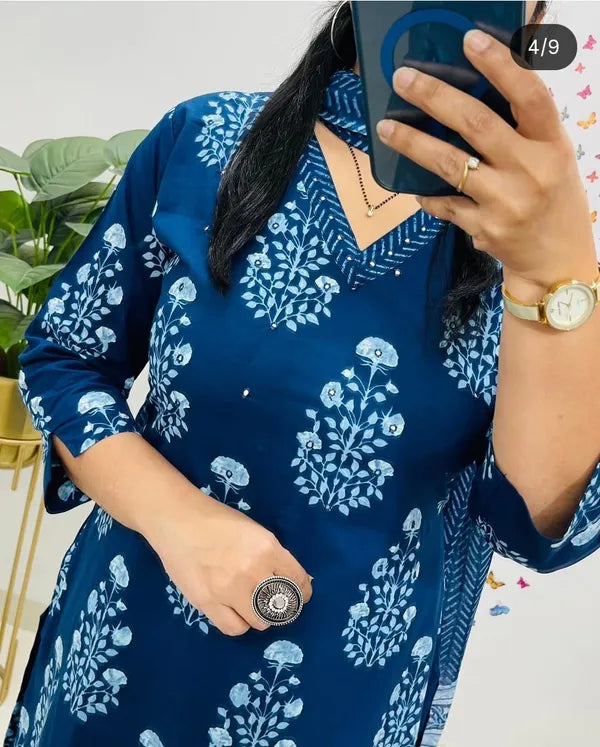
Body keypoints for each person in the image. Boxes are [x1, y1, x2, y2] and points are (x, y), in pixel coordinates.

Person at [4, 1, 600, 745]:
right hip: (120, 663)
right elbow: (67, 358)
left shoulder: (534, 239)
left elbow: (540, 525)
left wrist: (554, 272)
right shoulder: (206, 140)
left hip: (347, 704)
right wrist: (177, 519)